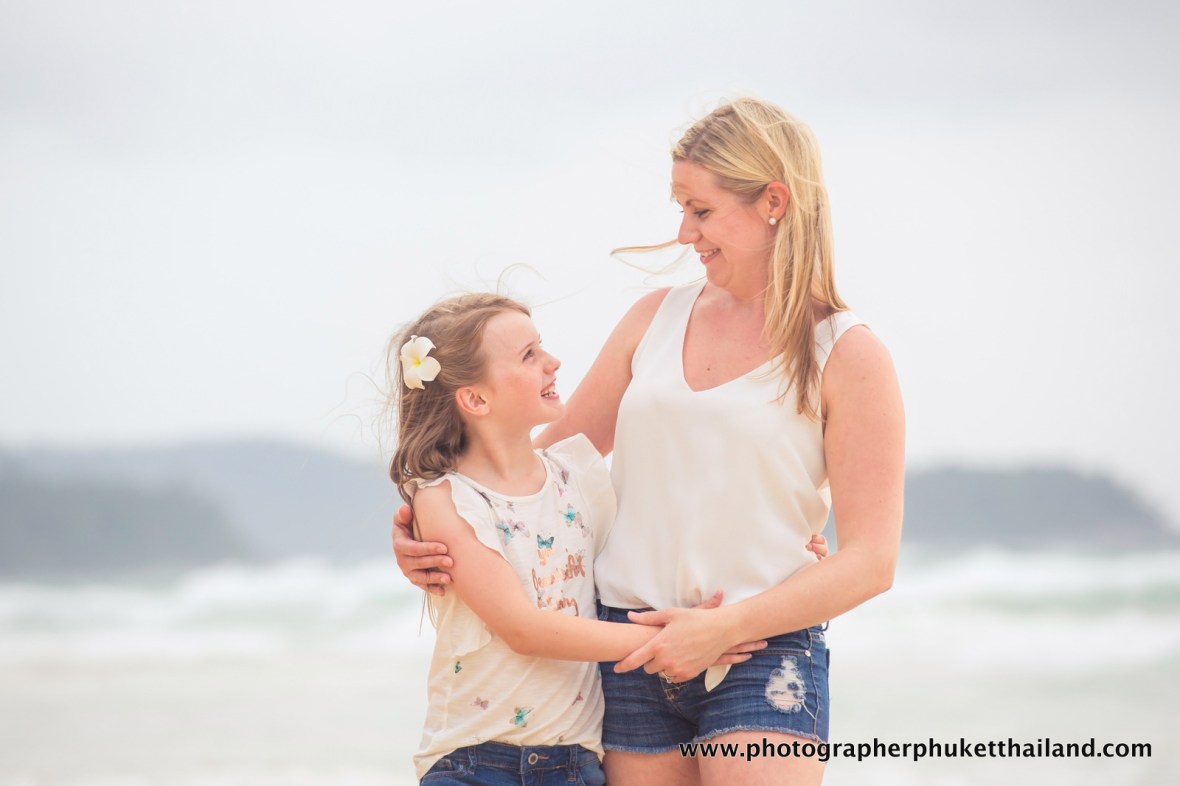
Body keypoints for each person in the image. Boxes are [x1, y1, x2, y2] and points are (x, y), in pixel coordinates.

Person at [394, 98, 904, 786]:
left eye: (702, 210)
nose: (685, 232)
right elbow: (528, 473)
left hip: (762, 649)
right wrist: (432, 529)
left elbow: (872, 561)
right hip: (628, 648)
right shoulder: (653, 319)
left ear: (773, 202)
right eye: (682, 208)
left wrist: (724, 628)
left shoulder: (847, 353)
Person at [387, 293, 780, 785]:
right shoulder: (448, 499)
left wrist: (788, 547)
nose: (552, 362)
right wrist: (673, 641)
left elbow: (667, 525)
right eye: (528, 355)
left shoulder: (576, 476)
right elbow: (523, 630)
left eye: (542, 347)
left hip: (576, 766)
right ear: (476, 400)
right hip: (476, 763)